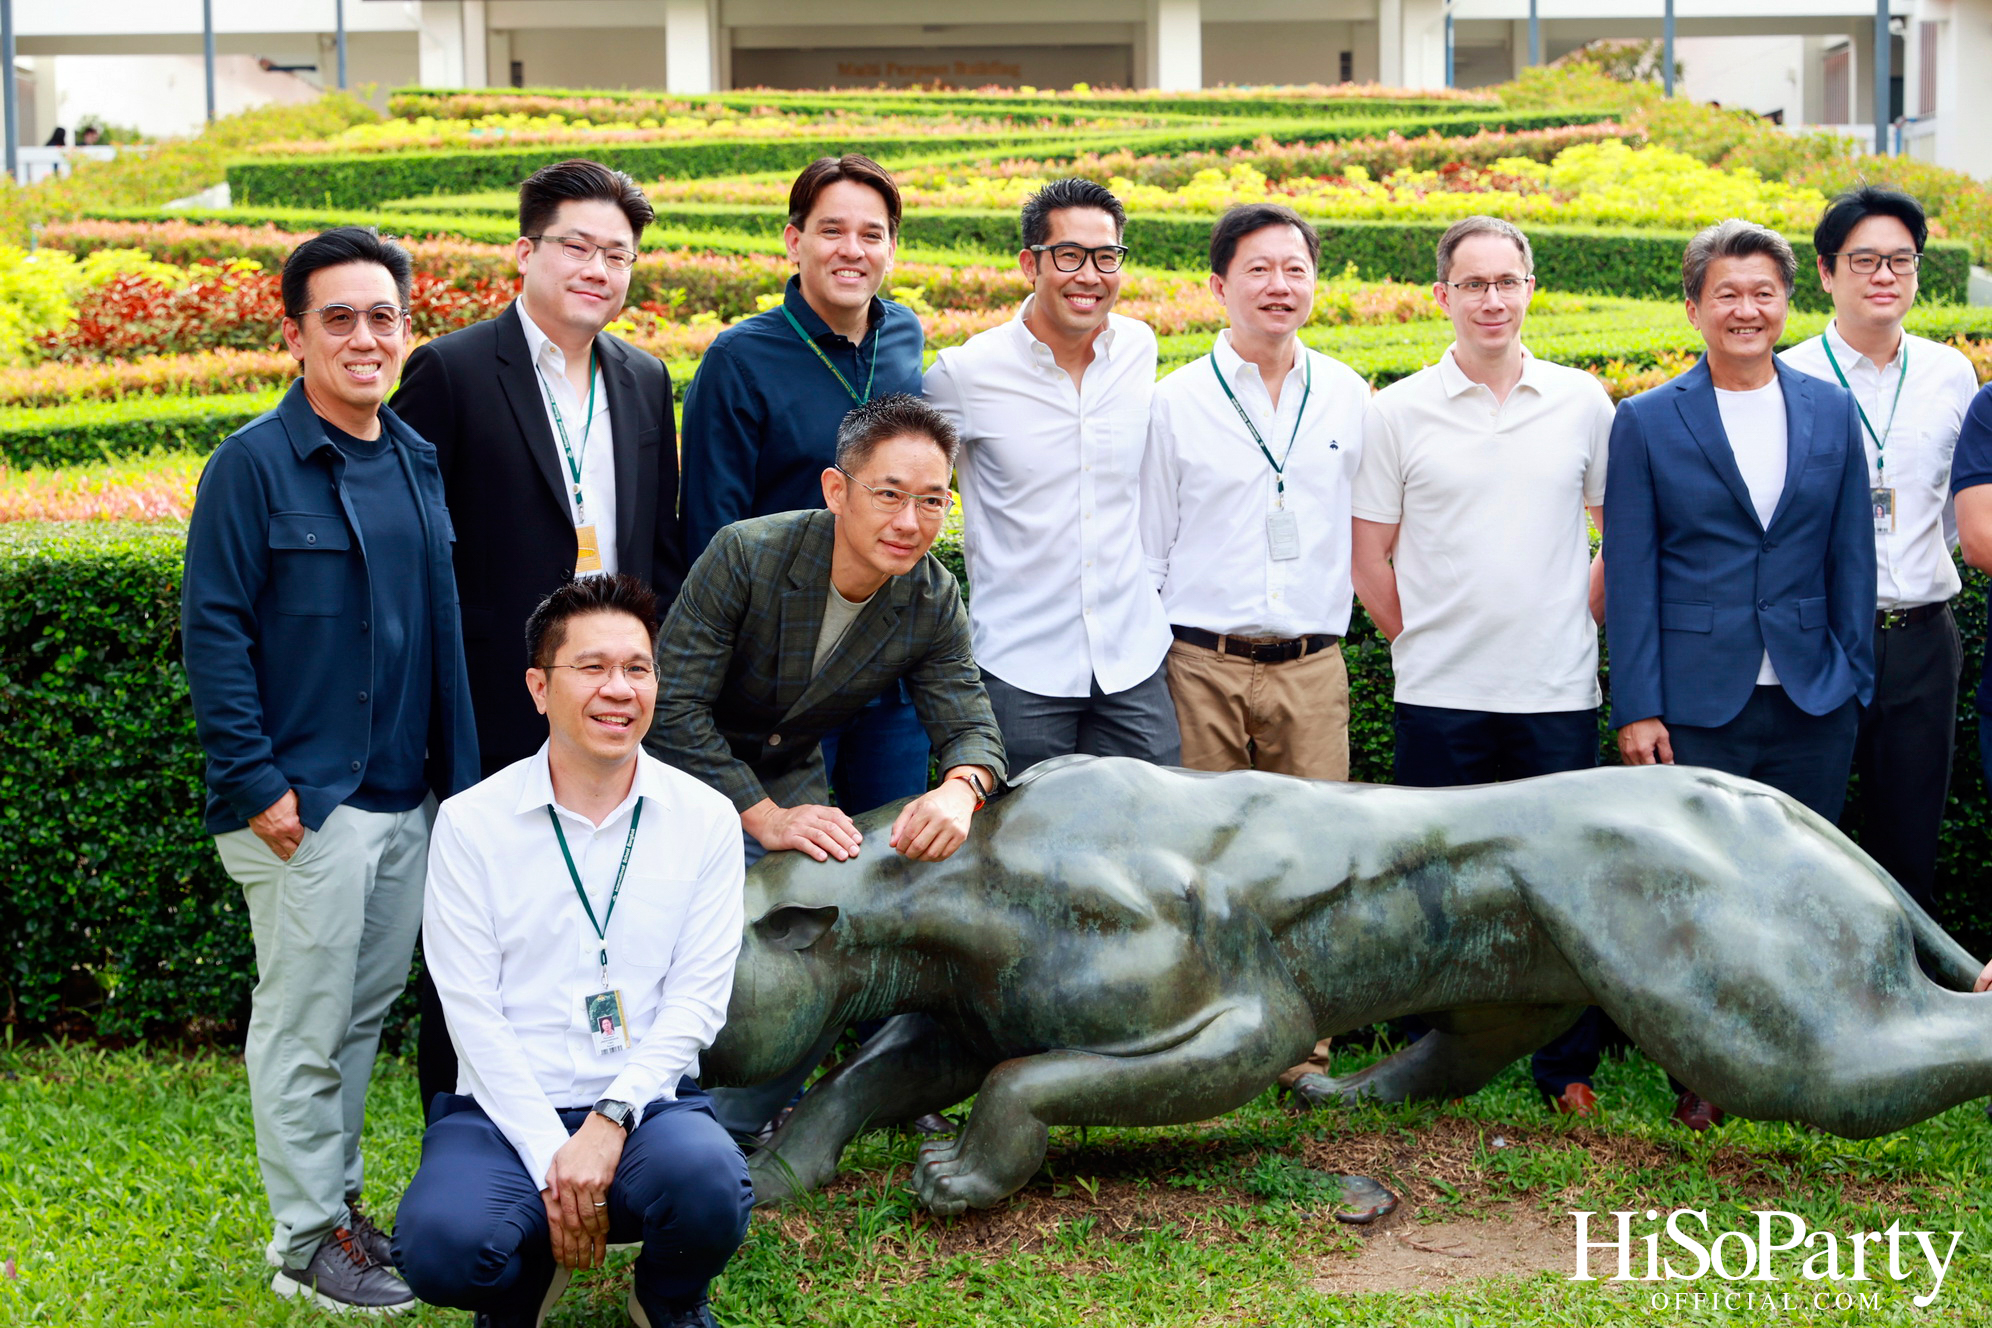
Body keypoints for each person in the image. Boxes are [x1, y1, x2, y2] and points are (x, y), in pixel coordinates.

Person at [181, 226, 479, 1313]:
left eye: (383, 316)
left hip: (407, 795)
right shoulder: (252, 466)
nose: (364, 336)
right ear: (296, 333)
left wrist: (459, 777)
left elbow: (435, 627)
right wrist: (259, 783)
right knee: (303, 1022)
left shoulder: (412, 454)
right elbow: (213, 631)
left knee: (358, 1018)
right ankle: (306, 1238)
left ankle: (339, 1204)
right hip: (305, 805)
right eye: (338, 317)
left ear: (408, 328)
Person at [392, 157, 689, 1111]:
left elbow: (661, 541)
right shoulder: (452, 368)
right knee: (487, 904)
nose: (599, 268)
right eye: (578, 246)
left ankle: (610, 1094)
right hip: (496, 690)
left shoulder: (643, 378)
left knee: (608, 896)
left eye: (619, 253)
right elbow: (410, 538)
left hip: (609, 688)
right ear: (526, 251)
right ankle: (463, 1112)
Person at [394, 575, 751, 1328]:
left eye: (637, 668)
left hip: (648, 1108)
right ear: (537, 686)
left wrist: (610, 1119)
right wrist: (552, 1157)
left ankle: (668, 1302)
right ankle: (520, 1286)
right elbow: (469, 1012)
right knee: (441, 1246)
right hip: (500, 1110)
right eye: (591, 668)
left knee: (709, 1183)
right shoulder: (470, 825)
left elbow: (697, 1002)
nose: (618, 690)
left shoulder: (706, 820)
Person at [647, 393, 1007, 1139]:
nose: (911, 522)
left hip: (788, 780)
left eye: (933, 500)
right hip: (682, 781)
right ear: (836, 490)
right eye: (890, 495)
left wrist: (958, 790)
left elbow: (969, 720)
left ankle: (741, 1124)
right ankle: (659, 1102)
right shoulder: (747, 554)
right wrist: (765, 817)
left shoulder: (930, 596)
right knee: (693, 941)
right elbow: (672, 709)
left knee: (821, 915)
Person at [1604, 218, 1876, 1131]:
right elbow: (1632, 574)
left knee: (1802, 885)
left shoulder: (1831, 410)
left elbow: (1852, 560)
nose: (1746, 309)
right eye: (1727, 293)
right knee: (1704, 892)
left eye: (1763, 292)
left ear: (1787, 303)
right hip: (1696, 698)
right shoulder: (1644, 420)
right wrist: (1638, 707)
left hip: (1811, 692)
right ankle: (1705, 1071)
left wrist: (1854, 677)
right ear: (1695, 306)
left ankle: (1801, 1058)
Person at [1350, 215, 1615, 1118]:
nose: (1492, 299)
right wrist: (1415, 642)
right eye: (1474, 284)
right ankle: (1438, 1059)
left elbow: (1613, 538)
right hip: (1439, 693)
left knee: (1560, 888)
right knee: (1438, 889)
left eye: (1507, 281)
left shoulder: (1583, 401)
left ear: (1530, 288)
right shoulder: (1398, 411)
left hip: (1555, 690)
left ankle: (1565, 1067)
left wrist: (1570, 618)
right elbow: (1369, 558)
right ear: (1443, 297)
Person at [677, 154, 929, 816]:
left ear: (892, 247)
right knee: (786, 887)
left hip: (887, 668)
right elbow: (711, 529)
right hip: (782, 683)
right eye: (831, 231)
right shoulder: (738, 360)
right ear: (794, 241)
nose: (853, 251)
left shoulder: (904, 334)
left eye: (872, 234)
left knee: (895, 868)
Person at [926, 178, 1180, 773]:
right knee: (1018, 857)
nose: (1089, 275)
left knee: (1152, 836)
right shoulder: (964, 374)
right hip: (1020, 666)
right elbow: (913, 487)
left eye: (1106, 256)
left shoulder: (1140, 348)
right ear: (1029, 264)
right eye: (1068, 255)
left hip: (1132, 659)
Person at [1782, 186, 1978, 917]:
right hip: (1822, 635)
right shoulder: (1787, 375)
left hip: (1924, 638)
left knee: (1911, 837)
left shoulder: (1951, 373)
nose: (1885, 276)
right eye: (1865, 260)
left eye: (1902, 260)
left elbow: (1961, 506)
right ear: (1828, 274)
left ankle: (1911, 1012)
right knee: (1810, 834)